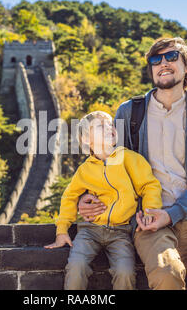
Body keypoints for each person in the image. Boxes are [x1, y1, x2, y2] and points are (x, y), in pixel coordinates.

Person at [77, 37, 187, 290]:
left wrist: (172, 215)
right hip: (148, 221)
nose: (163, 63)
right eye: (155, 59)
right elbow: (106, 162)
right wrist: (86, 196)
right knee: (166, 276)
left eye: (172, 57)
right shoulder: (130, 112)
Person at [44, 110, 162, 290]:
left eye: (111, 124)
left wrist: (150, 212)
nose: (109, 128)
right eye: (101, 126)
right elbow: (69, 197)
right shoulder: (85, 170)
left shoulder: (129, 158)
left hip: (121, 231)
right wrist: (62, 231)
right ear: (85, 139)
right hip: (89, 231)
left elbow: (149, 186)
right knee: (76, 266)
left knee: (125, 272)